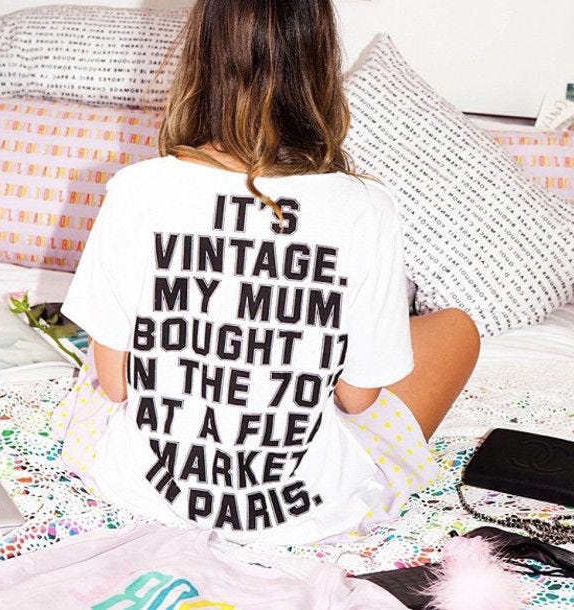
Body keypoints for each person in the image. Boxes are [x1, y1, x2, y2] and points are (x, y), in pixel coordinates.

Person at [56, 0, 480, 546]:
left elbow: (116, 386)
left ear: (200, 59)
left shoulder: (136, 189)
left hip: (144, 489)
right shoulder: (366, 207)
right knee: (457, 328)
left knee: (93, 383)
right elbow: (358, 400)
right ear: (320, 64)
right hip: (301, 511)